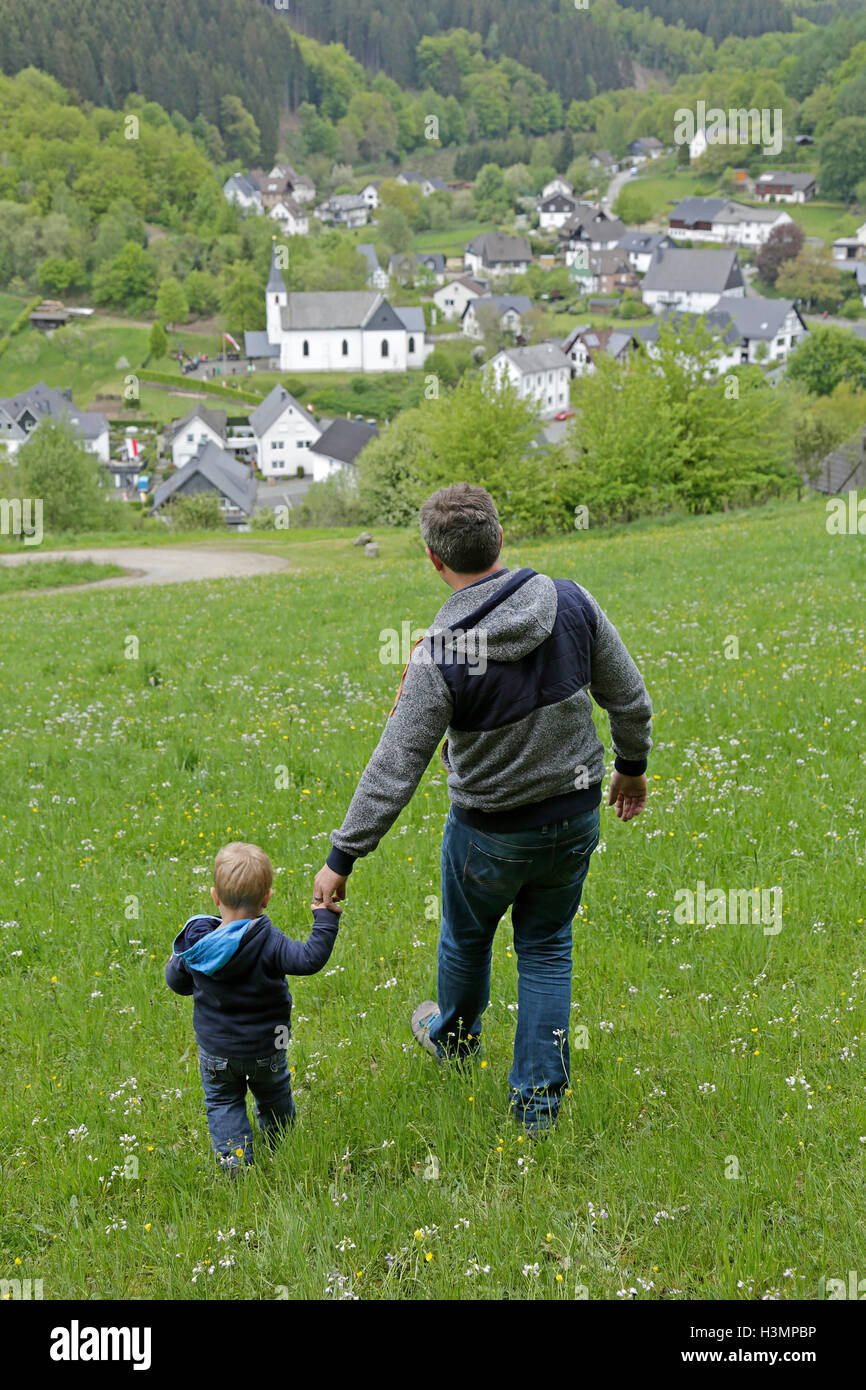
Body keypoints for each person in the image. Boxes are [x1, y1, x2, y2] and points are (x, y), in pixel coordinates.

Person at [313, 483, 652, 1133]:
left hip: (488, 834)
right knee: (548, 948)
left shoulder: (440, 652)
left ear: (434, 562)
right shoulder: (573, 602)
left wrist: (342, 857)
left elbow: (395, 765)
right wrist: (631, 770)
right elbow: (630, 699)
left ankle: (455, 1040)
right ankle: (537, 1107)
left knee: (466, 942)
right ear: (501, 538)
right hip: (574, 815)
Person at [166, 841, 341, 1168]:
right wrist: (325, 918)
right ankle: (282, 1145)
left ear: (215, 897)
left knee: (222, 1101)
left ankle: (235, 1162)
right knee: (275, 1096)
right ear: (266, 899)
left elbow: (176, 982)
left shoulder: (198, 945)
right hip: (269, 1046)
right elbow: (309, 959)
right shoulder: (270, 941)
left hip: (216, 1051)